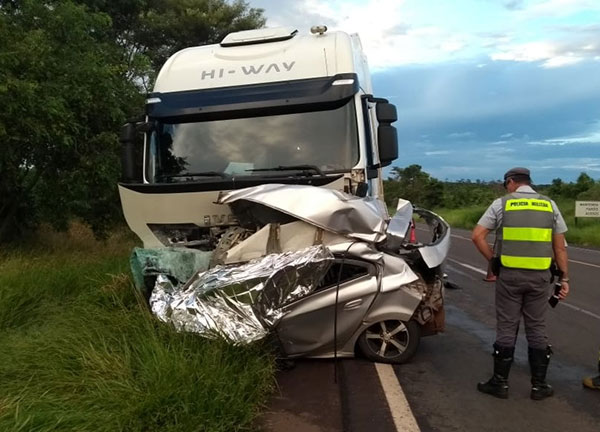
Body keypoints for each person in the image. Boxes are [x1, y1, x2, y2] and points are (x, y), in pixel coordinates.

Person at [471, 167, 570, 400]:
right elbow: (560, 248)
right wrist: (563, 279)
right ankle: (539, 386)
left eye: (507, 184)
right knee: (536, 328)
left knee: (507, 326)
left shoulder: (502, 204)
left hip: (510, 277)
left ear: (511, 182)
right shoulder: (550, 205)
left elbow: (477, 236)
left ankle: (500, 383)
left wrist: (494, 261)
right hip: (540, 278)